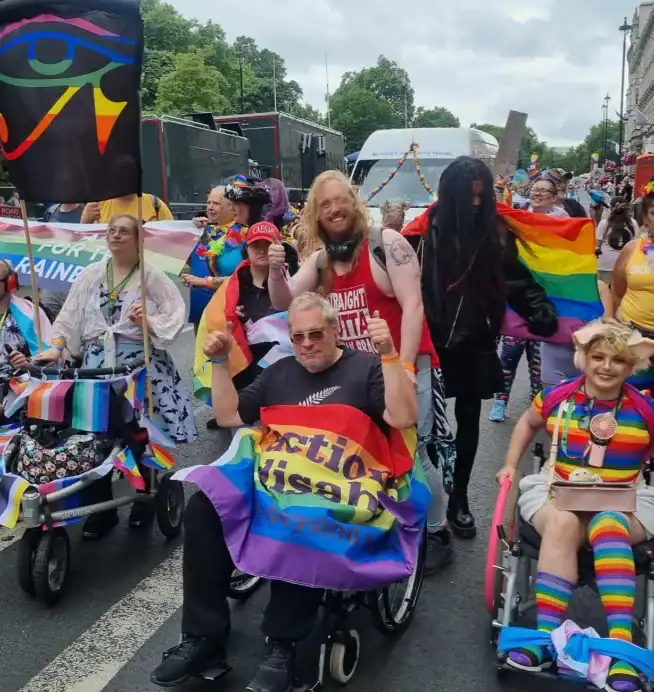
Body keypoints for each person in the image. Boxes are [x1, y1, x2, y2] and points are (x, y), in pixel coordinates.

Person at [151, 292, 417, 691]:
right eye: (298, 337)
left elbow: (403, 417)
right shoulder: (279, 373)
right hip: (277, 475)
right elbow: (227, 416)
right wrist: (220, 363)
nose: (307, 344)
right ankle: (203, 637)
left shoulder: (366, 369)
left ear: (335, 331)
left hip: (338, 482)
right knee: (205, 508)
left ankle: (282, 644)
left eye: (316, 334)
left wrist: (390, 355)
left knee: (301, 516)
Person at [267, 170, 457, 571]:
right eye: (325, 205)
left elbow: (413, 307)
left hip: (402, 366)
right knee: (368, 453)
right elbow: (283, 300)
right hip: (360, 376)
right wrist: (274, 270)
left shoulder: (386, 245)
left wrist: (403, 366)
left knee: (414, 452)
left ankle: (437, 530)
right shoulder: (321, 261)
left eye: (341, 200)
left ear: (355, 202)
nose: (335, 209)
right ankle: (380, 520)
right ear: (316, 216)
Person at [496, 320, 654, 692]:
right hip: (558, 488)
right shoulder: (558, 396)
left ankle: (621, 648)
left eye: (617, 359)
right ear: (582, 358)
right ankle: (546, 641)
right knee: (564, 522)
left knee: (609, 524)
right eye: (597, 356)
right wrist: (510, 464)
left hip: (624, 496)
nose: (606, 366)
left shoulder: (645, 409)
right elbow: (527, 423)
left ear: (631, 366)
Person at [405, 156, 558, 538]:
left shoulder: (495, 231)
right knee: (421, 426)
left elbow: (515, 278)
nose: (476, 202)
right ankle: (426, 494)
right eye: (469, 195)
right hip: (431, 342)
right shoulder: (422, 232)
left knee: (469, 422)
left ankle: (459, 497)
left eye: (481, 195)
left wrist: (539, 307)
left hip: (475, 340)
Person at [36, 214, 196, 538]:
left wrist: (148, 321)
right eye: (112, 231)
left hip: (139, 367)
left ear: (139, 240)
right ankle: (101, 508)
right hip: (97, 367)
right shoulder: (91, 274)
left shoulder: (151, 277)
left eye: (125, 231)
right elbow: (69, 318)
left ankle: (145, 500)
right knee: (92, 435)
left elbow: (175, 314)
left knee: (141, 433)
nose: (117, 236)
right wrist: (56, 347)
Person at [193, 220, 299, 402]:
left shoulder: (295, 278)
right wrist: (234, 319)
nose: (261, 250)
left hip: (284, 368)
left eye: (268, 244)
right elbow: (213, 321)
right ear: (247, 249)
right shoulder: (233, 285)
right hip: (243, 368)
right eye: (255, 244)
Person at [180, 186, 235, 330]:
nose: (210, 207)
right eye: (209, 202)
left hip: (224, 312)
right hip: (199, 311)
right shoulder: (200, 231)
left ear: (232, 207)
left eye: (216, 204)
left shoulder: (238, 234)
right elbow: (190, 260)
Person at [596, 196, 639, 285]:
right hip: (626, 264)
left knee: (605, 293)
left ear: (611, 208)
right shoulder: (633, 223)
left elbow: (597, 245)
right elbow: (637, 244)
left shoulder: (604, 223)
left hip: (605, 264)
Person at [81, 192, 173, 224]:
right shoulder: (97, 203)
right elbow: (80, 241)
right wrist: (86, 221)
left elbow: (174, 240)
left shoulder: (155, 205)